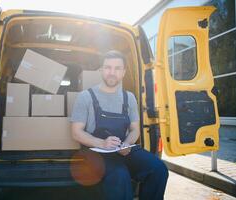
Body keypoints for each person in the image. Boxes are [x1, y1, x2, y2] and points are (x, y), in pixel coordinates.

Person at [70, 50, 168, 200]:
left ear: (123, 72)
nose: (112, 72)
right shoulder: (86, 96)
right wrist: (102, 143)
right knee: (120, 176)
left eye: (117, 68)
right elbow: (76, 132)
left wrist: (127, 144)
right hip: (96, 154)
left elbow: (135, 129)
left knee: (158, 169)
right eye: (108, 67)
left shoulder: (129, 97)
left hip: (123, 149)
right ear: (101, 70)